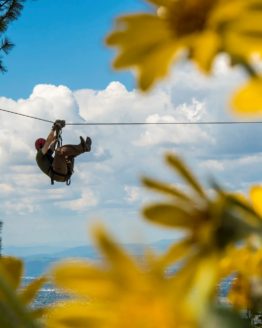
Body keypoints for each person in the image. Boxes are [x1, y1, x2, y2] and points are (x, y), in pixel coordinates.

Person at [35, 120, 91, 185]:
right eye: (44, 146)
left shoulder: (47, 153)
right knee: (59, 152)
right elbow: (49, 141)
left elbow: (54, 141)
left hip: (64, 173)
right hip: (57, 173)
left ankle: (84, 147)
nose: (46, 147)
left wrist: (58, 129)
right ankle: (84, 147)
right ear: (40, 148)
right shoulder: (39, 156)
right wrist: (53, 129)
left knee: (69, 155)